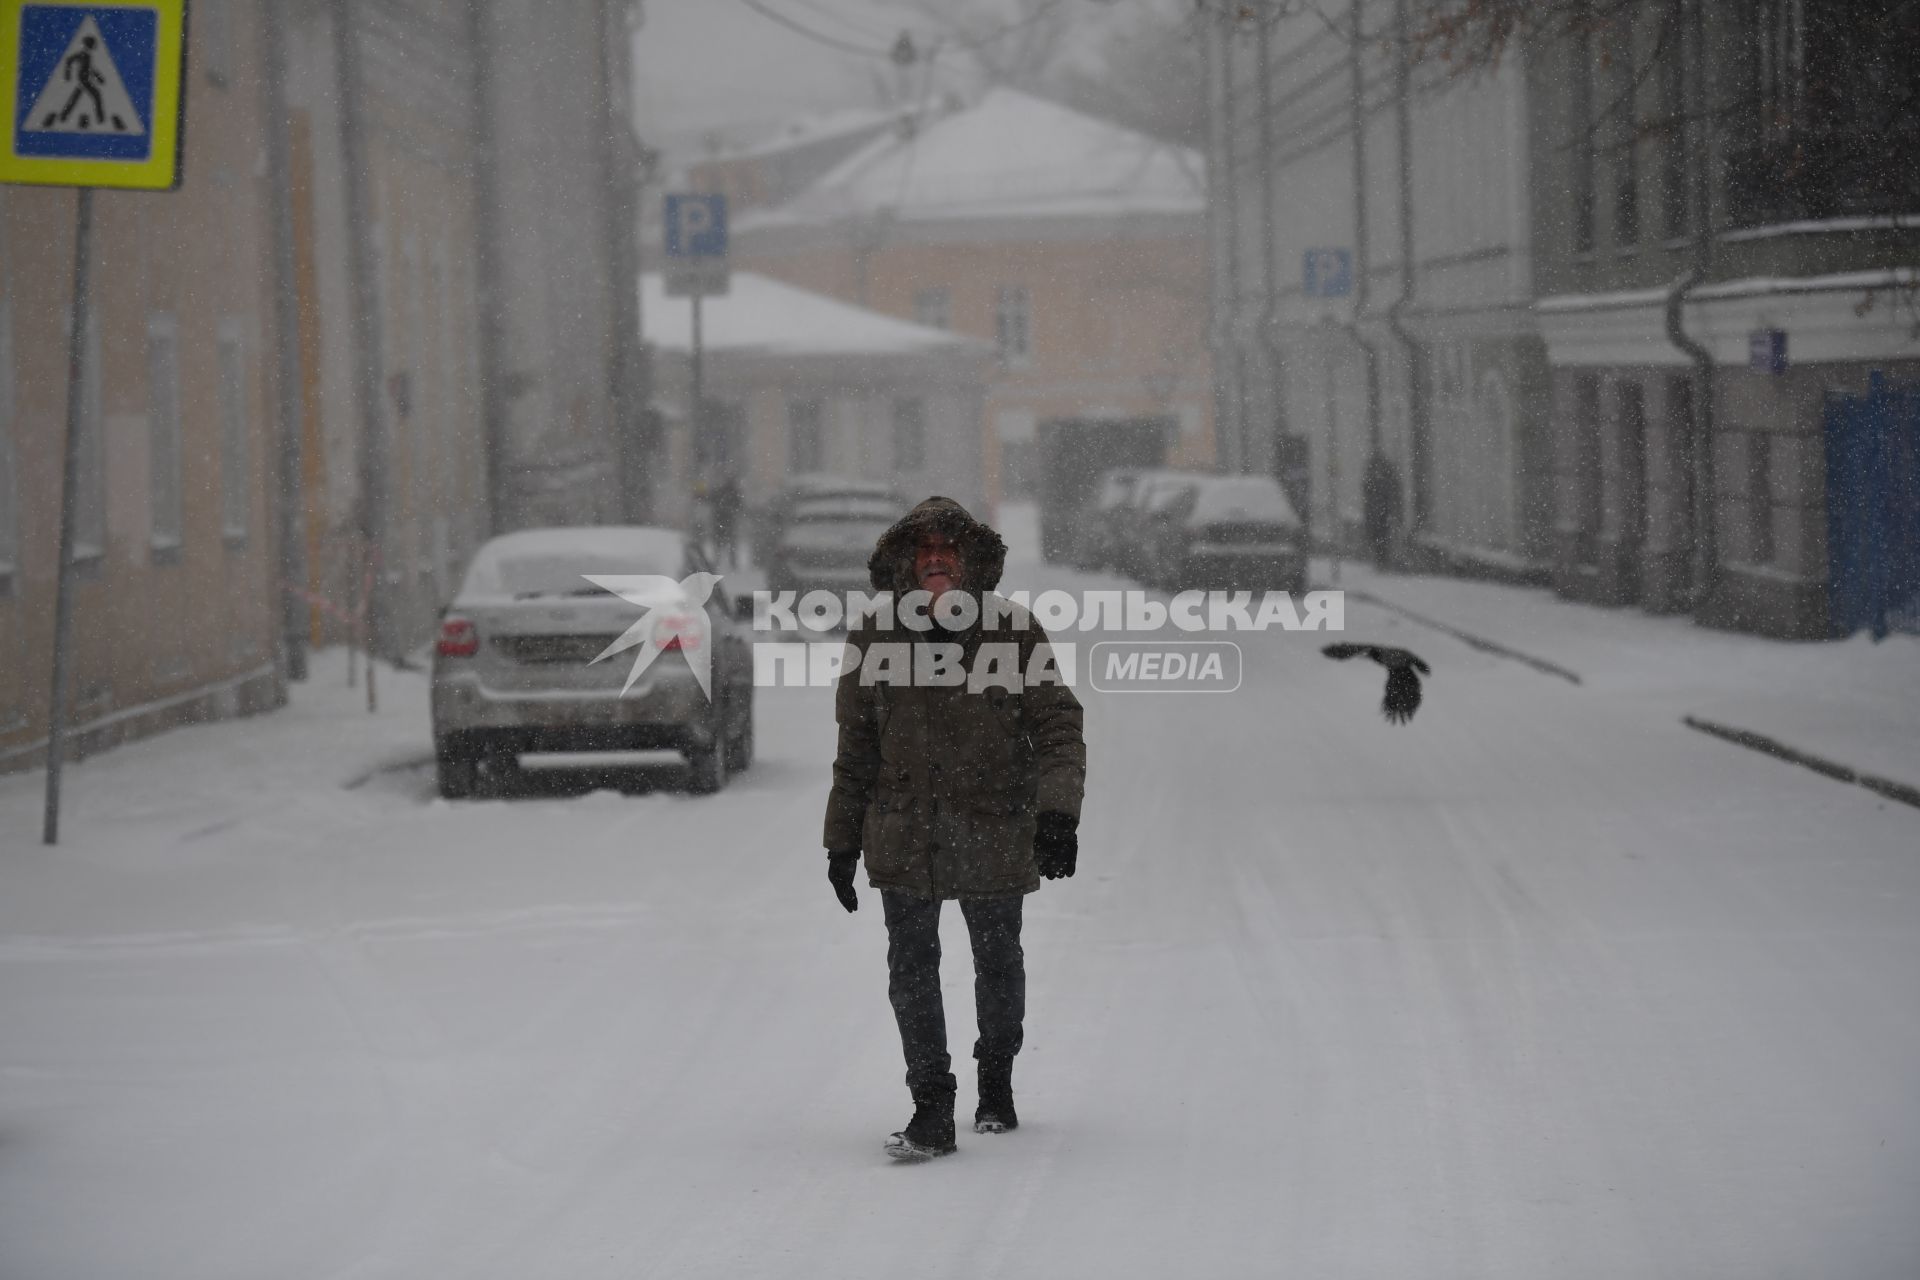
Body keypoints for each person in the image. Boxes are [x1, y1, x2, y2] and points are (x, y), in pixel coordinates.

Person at [823, 497, 1086, 1161]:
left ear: (972, 562)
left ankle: (995, 1080)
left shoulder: (1014, 634)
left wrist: (1058, 813)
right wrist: (842, 841)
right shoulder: (874, 639)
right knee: (912, 967)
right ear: (905, 564)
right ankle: (931, 1106)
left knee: (997, 961)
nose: (936, 557)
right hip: (904, 832)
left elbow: (1059, 726)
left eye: (949, 547)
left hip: (994, 826)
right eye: (924, 548)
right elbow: (856, 749)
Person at [1362, 450, 1404, 571]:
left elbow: (1390, 496)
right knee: (1380, 537)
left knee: (1382, 537)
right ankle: (1382, 562)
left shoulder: (1377, 481)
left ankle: (1383, 562)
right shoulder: (1378, 481)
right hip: (1379, 515)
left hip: (1381, 514)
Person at [710, 473, 743, 568]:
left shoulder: (721, 491)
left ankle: (720, 560)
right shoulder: (734, 492)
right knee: (730, 543)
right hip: (727, 520)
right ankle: (731, 562)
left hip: (721, 520)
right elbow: (739, 506)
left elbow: (713, 501)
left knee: (720, 543)